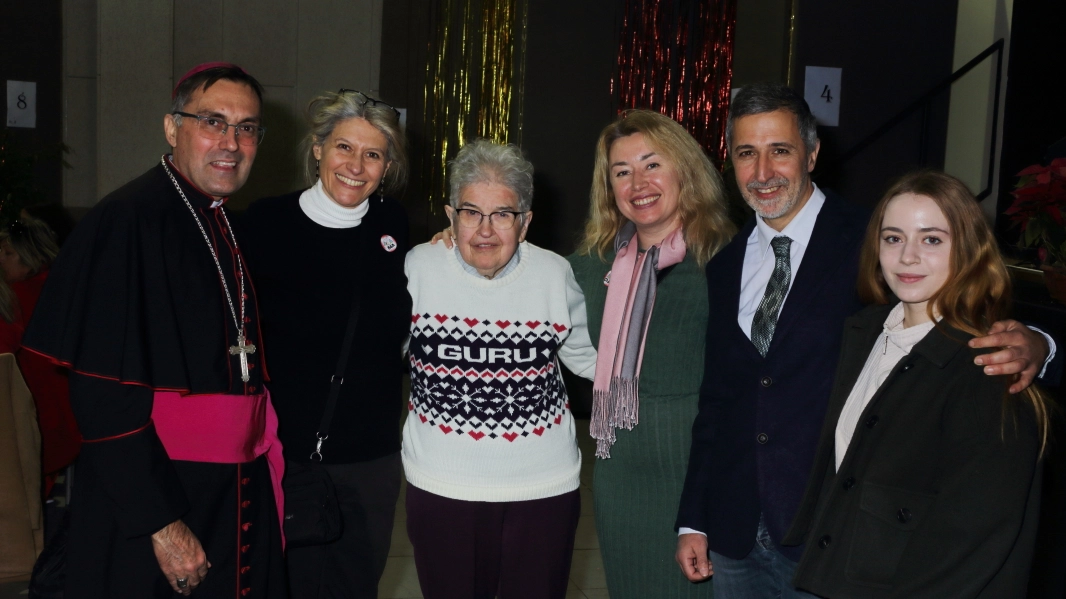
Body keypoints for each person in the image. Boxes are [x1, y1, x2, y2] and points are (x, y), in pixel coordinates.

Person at [675, 82, 1057, 598]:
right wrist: (693, 517)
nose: (763, 172)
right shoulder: (723, 265)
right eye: (747, 153)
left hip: (833, 534)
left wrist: (1041, 343)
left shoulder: (877, 241)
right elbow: (718, 399)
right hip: (735, 528)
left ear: (812, 153)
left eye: (780, 150)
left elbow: (962, 328)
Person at [21, 62, 286, 598]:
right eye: (213, 122)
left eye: (247, 127)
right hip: (159, 493)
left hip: (229, 487)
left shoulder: (221, 220)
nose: (231, 142)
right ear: (172, 127)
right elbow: (101, 396)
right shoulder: (126, 220)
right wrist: (161, 523)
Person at [783, 170, 1048, 597]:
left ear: (969, 250)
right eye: (893, 238)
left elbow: (972, 539)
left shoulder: (988, 368)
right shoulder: (865, 331)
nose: (907, 257)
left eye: (931, 239)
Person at [403, 139, 597, 599]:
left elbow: (592, 359)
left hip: (543, 488)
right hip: (441, 484)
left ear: (525, 222)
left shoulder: (555, 274)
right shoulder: (417, 267)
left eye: (503, 214)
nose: (485, 230)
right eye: (471, 212)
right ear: (450, 216)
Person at [241, 89, 411, 598]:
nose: (356, 166)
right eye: (344, 148)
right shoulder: (265, 224)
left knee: (356, 586)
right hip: (285, 452)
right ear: (318, 149)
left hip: (372, 459)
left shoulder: (393, 226)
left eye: (373, 154)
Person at [0, 217, 80, 494]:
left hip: (41, 414)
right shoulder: (60, 285)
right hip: (69, 410)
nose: (1, 260)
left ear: (29, 255)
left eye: (8, 253)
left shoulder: (20, 296)